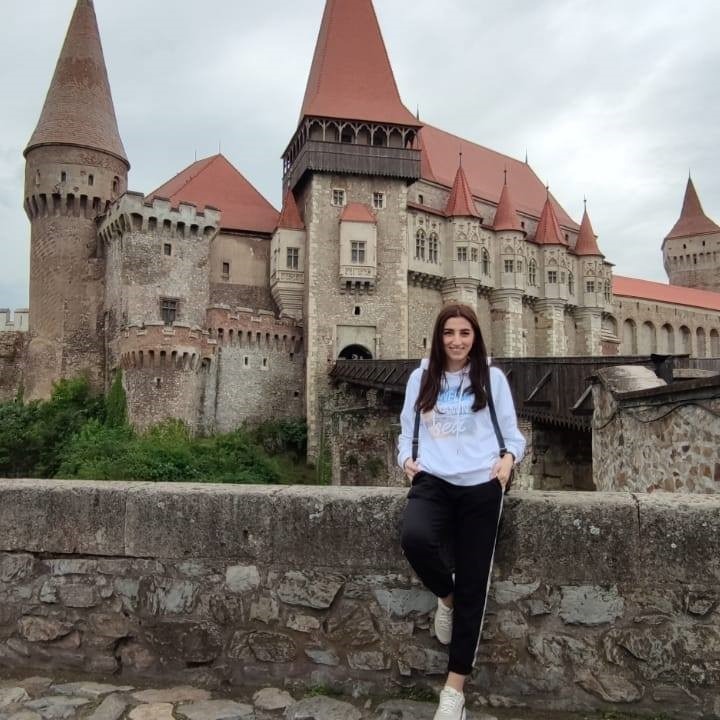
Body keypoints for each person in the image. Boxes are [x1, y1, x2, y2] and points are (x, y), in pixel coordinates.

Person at [397, 303, 526, 720]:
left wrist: (508, 460)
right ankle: (446, 596)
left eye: (464, 333)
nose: (456, 341)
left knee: (475, 584)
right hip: (433, 479)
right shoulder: (421, 377)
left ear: (475, 337)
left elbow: (513, 435)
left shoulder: (491, 378)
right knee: (415, 539)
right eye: (449, 333)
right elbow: (406, 430)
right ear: (438, 337)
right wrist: (405, 460)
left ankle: (454, 690)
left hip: (481, 484)